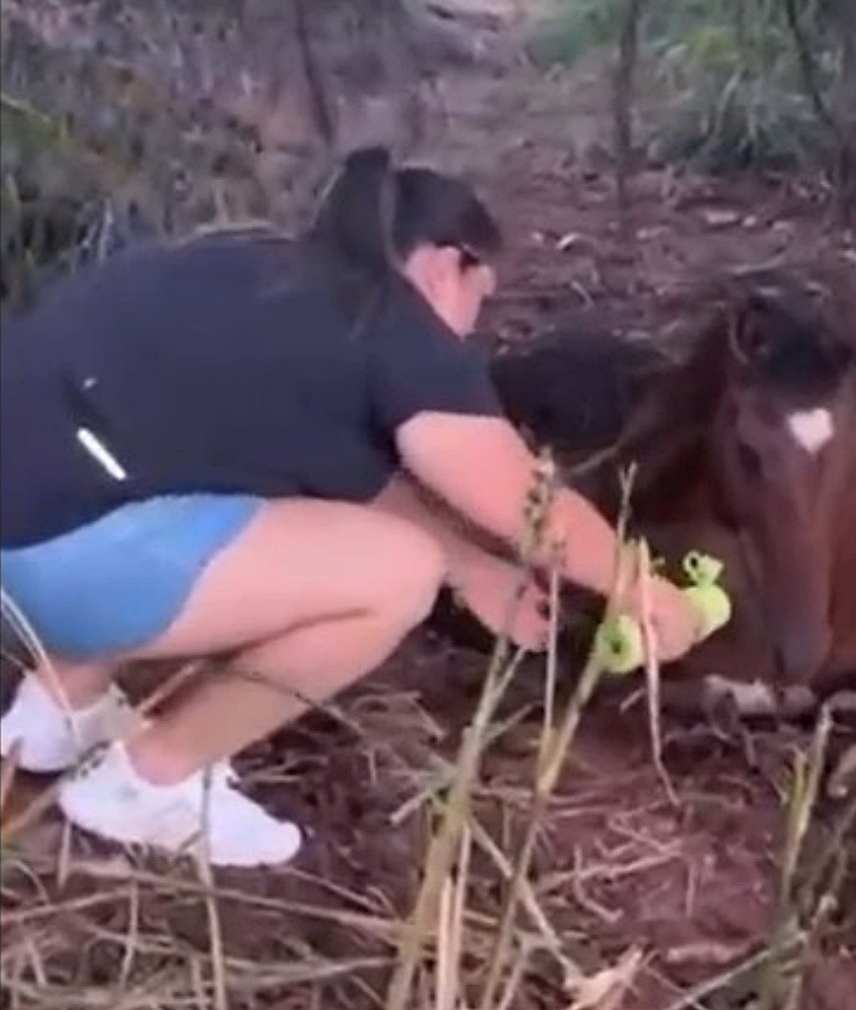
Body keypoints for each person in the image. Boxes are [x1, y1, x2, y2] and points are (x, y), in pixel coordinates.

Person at [0, 147, 707, 867]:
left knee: (162, 465)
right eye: (478, 296)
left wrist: (475, 573)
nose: (469, 328)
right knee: (399, 574)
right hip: (58, 562)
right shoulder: (396, 324)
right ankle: (148, 783)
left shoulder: (258, 272)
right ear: (443, 264)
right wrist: (636, 583)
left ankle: (57, 711)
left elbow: (357, 483)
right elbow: (521, 498)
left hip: (23, 525)